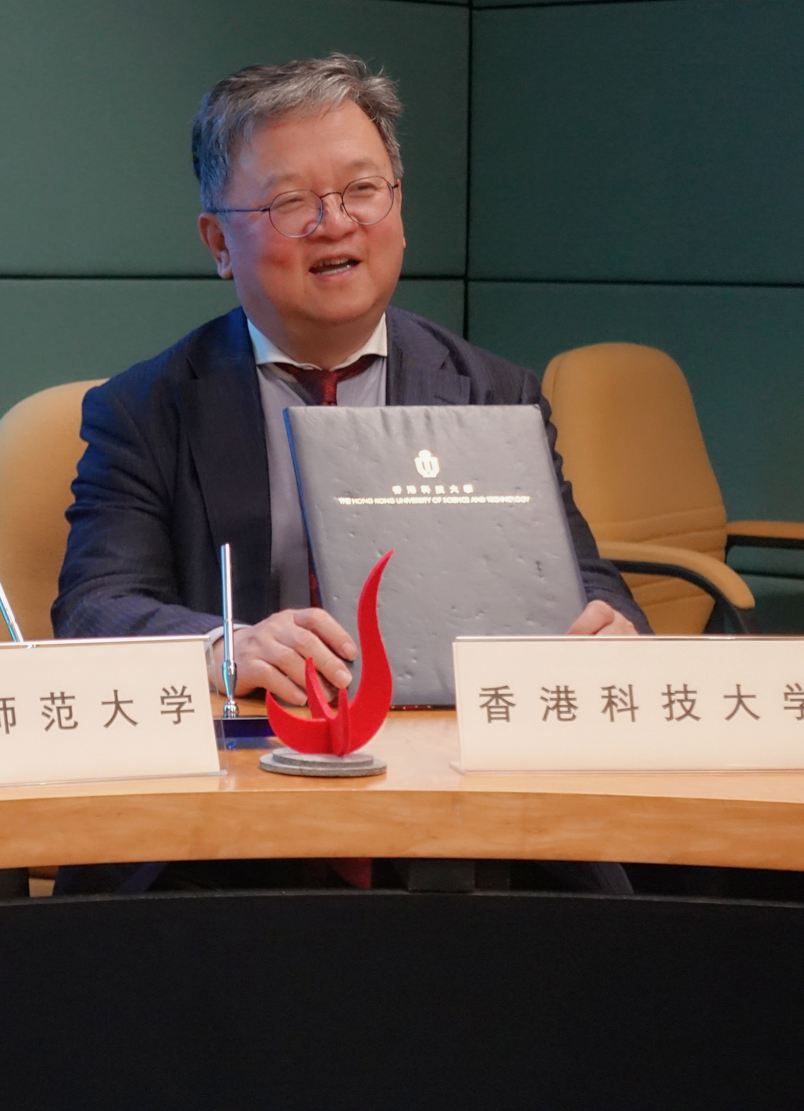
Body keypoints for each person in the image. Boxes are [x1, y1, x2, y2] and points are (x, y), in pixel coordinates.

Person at [54, 54, 647, 710]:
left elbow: (589, 588)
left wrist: (610, 630)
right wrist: (226, 647)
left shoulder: (494, 393)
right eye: (290, 202)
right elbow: (94, 608)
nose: (335, 224)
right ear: (219, 242)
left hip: (448, 737)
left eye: (362, 190)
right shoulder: (144, 411)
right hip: (257, 740)